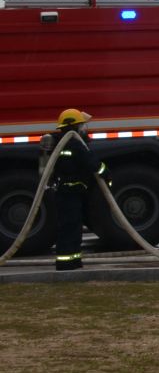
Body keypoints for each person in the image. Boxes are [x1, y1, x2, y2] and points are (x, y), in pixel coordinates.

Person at [41, 108, 106, 271]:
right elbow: (92, 163)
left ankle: (74, 260)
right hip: (69, 194)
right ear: (73, 127)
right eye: (81, 125)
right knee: (69, 229)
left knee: (72, 228)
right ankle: (65, 263)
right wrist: (107, 174)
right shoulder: (75, 144)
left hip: (67, 193)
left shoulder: (60, 143)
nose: (84, 129)